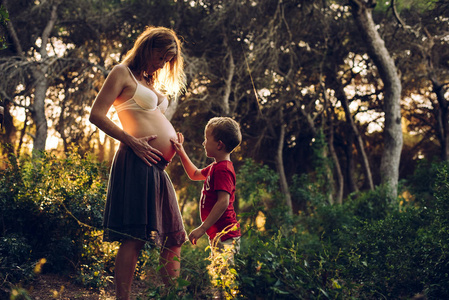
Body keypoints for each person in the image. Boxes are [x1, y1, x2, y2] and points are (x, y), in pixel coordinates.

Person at [89, 26, 187, 300]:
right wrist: (131, 141)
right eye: (161, 57)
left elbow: (153, 118)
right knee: (134, 237)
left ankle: (171, 296)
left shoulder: (150, 83)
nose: (162, 64)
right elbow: (96, 115)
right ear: (148, 47)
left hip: (157, 168)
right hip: (136, 161)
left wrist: (172, 136)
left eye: (168, 61)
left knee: (173, 236)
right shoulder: (122, 72)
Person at [171, 117, 242, 256]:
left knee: (224, 275)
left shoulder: (223, 169)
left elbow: (223, 202)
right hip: (218, 235)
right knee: (218, 273)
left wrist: (202, 228)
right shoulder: (215, 167)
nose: (204, 143)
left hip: (226, 235)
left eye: (207, 138)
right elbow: (194, 174)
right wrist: (181, 152)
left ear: (219, 145)